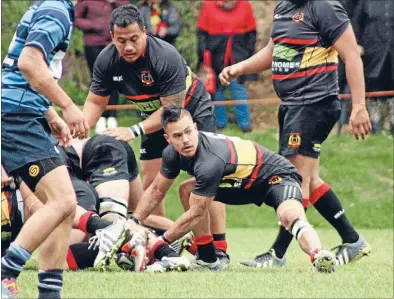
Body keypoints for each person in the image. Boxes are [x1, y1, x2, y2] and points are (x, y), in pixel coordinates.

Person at [218, 0, 372, 268]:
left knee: (293, 179)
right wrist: (239, 68)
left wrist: (358, 107)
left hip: (314, 103)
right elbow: (274, 51)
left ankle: (277, 254)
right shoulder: (283, 8)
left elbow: (351, 55)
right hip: (292, 105)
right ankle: (352, 239)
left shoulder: (324, 7)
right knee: (309, 179)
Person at [82, 4, 230, 266]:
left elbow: (172, 110)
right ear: (112, 37)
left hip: (190, 112)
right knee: (152, 186)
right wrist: (79, 130)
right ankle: (156, 244)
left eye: (134, 39)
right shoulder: (106, 59)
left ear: (145, 32)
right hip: (153, 117)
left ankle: (218, 249)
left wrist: (133, 130)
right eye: (121, 40)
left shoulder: (164, 56)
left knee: (205, 177)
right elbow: (96, 102)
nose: (128, 46)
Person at [131, 105, 337, 272]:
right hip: (240, 183)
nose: (185, 140)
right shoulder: (171, 154)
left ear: (195, 127)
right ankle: (208, 259)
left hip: (275, 177)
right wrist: (133, 222)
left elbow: (196, 213)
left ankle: (318, 254)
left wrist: (160, 244)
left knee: (290, 215)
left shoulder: (209, 160)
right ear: (168, 139)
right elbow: (156, 190)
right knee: (187, 190)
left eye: (188, 132)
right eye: (177, 136)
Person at [1, 0, 90, 298]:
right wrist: (67, 106)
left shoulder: (49, 6)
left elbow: (16, 65)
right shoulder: (56, 9)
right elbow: (29, 62)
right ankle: (5, 274)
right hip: (16, 116)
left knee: (61, 208)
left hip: (24, 112)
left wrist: (49, 114)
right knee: (64, 200)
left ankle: (49, 294)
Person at [197, 0, 257, 132]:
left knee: (238, 89)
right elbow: (202, 34)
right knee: (217, 91)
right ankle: (220, 123)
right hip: (216, 55)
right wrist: (203, 58)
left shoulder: (244, 5)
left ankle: (245, 125)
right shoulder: (208, 5)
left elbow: (252, 33)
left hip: (238, 53)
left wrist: (247, 53)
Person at [75, 0, 129, 134]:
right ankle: (99, 117)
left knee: (115, 78)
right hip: (93, 44)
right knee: (99, 79)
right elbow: (76, 19)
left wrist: (115, 3)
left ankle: (112, 116)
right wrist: (94, 25)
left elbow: (128, 15)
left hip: (114, 43)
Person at [351, 0, 394, 136]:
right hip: (373, 51)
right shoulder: (365, 2)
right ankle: (375, 126)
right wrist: (356, 44)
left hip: (392, 51)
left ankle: (392, 125)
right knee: (374, 88)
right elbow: (356, 23)